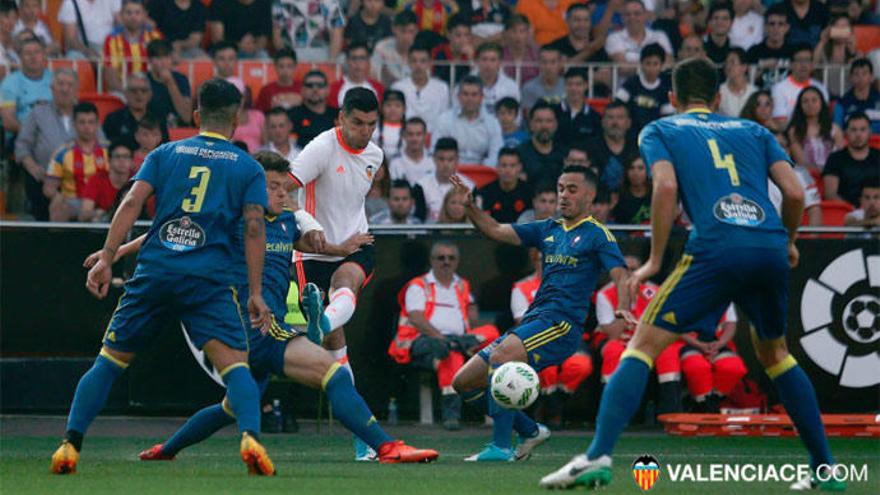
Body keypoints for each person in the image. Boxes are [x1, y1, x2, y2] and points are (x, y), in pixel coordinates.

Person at [540, 57, 844, 492]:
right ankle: (824, 470)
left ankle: (597, 455)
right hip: (768, 247)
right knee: (777, 355)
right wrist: (789, 242)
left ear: (672, 98)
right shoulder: (754, 131)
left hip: (716, 246)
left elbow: (664, 187)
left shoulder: (662, 129)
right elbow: (795, 191)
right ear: (719, 98)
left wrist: (653, 261)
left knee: (642, 344)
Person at [91, 151, 438, 464]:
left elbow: (310, 244)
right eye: (273, 187)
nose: (281, 195)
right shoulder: (235, 219)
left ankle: (166, 450)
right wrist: (116, 253)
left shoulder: (286, 223)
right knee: (332, 371)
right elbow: (164, 233)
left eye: (284, 189)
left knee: (230, 407)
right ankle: (387, 447)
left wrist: (339, 247)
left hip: (258, 329)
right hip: (254, 324)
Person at [49, 79, 277, 476]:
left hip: (156, 272)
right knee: (236, 367)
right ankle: (251, 437)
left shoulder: (166, 152)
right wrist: (256, 292)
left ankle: (70, 444)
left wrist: (107, 258)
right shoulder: (247, 167)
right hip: (208, 281)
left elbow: (132, 202)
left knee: (108, 362)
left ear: (196, 116)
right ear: (237, 119)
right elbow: (255, 228)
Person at [449, 165, 631, 462]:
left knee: (500, 357)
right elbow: (494, 230)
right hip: (535, 319)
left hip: (561, 324)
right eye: (561, 188)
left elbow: (621, 274)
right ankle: (530, 430)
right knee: (464, 382)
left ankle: (501, 447)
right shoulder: (547, 228)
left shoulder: (599, 235)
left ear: (589, 195)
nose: (563, 195)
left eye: (571, 189)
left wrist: (623, 305)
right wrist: (470, 207)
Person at [287, 88, 384, 461]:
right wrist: (310, 227)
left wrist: (344, 242)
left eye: (371, 125)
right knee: (337, 355)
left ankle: (321, 320)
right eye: (357, 123)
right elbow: (283, 193)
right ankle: (363, 437)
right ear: (340, 118)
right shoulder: (320, 149)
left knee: (347, 282)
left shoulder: (376, 154)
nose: (364, 131)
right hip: (312, 252)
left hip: (356, 244)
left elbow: (350, 201)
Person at [390, 241, 499, 429]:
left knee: (492, 333)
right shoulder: (418, 285)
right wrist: (441, 338)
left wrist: (469, 322)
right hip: (422, 342)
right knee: (447, 350)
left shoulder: (462, 285)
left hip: (454, 342)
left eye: (451, 258)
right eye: (441, 258)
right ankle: (451, 415)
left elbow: (473, 319)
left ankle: (455, 344)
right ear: (432, 261)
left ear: (457, 262)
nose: (446, 262)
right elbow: (416, 319)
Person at [593, 254, 685, 416]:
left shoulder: (655, 291)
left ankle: (669, 413)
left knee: (668, 353)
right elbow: (613, 333)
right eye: (624, 269)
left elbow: (663, 326)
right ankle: (610, 411)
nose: (629, 274)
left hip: (647, 340)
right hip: (618, 340)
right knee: (612, 352)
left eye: (634, 270)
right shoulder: (605, 294)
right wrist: (625, 299)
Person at [513, 248, 593, 430]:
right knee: (546, 369)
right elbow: (522, 321)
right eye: (543, 259)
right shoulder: (521, 287)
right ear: (535, 260)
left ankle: (555, 403)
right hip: (536, 339)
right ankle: (549, 410)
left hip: (569, 337)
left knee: (581, 365)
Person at [15, 68, 79, 221]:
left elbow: (101, 144)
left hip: (80, 178)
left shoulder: (85, 114)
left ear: (76, 89)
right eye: (60, 84)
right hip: (44, 179)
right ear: (52, 88)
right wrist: (33, 167)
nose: (64, 89)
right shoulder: (38, 112)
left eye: (69, 85)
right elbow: (22, 146)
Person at [43, 103, 109, 222]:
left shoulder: (109, 151)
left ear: (98, 124)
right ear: (74, 124)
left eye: (91, 122)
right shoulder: (61, 153)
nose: (87, 127)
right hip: (73, 202)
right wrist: (57, 197)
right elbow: (48, 187)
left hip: (103, 202)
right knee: (57, 207)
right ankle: (59, 240)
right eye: (82, 122)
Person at [679, 306, 747, 413]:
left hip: (718, 344)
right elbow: (677, 328)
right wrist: (700, 345)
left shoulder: (726, 298)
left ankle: (711, 401)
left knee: (735, 368)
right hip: (690, 343)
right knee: (697, 368)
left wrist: (719, 344)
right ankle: (702, 404)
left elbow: (731, 325)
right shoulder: (685, 295)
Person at [432, 75, 503, 167]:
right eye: (465, 94)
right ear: (459, 97)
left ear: (481, 97)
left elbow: (496, 155)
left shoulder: (493, 123)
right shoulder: (445, 120)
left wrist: (480, 173)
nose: (470, 99)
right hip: (452, 174)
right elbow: (436, 152)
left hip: (483, 174)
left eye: (474, 95)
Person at [102, 0, 162, 93]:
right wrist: (130, 94)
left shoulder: (155, 37)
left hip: (151, 92)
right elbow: (111, 79)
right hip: (121, 91)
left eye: (137, 13)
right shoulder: (112, 40)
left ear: (145, 15)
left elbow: (162, 70)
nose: (133, 17)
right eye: (128, 13)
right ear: (121, 14)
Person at [614, 43, 673, 133]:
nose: (651, 68)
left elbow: (666, 118)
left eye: (655, 64)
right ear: (641, 64)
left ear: (661, 66)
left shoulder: (665, 90)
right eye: (648, 63)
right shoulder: (631, 83)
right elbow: (618, 105)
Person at [413, 137, 475, 222]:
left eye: (450, 160)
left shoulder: (469, 186)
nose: (446, 164)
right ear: (434, 158)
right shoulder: (421, 186)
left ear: (457, 160)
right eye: (441, 159)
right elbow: (418, 220)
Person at [823, 112, 879, 207]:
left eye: (863, 129)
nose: (858, 134)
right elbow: (830, 194)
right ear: (846, 133)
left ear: (870, 132)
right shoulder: (835, 159)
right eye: (853, 130)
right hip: (846, 214)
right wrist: (852, 210)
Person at [391, 44, 449, 132]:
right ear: (408, 62)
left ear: (430, 63)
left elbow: (444, 118)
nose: (418, 65)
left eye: (423, 61)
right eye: (414, 61)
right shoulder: (397, 88)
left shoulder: (442, 88)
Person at [103, 73, 167, 151]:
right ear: (125, 94)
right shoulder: (113, 119)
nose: (139, 94)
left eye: (143, 91)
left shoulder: (159, 118)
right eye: (133, 91)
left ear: (150, 95)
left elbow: (166, 148)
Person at [785, 86, 843, 172]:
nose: (810, 104)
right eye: (805, 101)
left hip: (833, 176)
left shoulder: (835, 129)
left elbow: (841, 157)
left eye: (814, 100)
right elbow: (801, 162)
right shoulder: (794, 131)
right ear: (800, 106)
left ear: (821, 103)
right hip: (806, 177)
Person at [0, 36, 50, 135]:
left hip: (53, 136)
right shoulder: (9, 83)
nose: (33, 57)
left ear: (44, 55)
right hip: (21, 136)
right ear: (20, 57)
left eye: (37, 52)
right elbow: (8, 121)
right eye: (27, 53)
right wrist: (33, 134)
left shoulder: (55, 80)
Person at [586, 101, 638, 192]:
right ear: (603, 122)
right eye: (610, 117)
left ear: (628, 123)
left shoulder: (637, 149)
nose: (615, 122)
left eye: (620, 117)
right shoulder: (589, 148)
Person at [771, 44, 829, 124]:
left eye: (807, 60)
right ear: (791, 64)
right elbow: (781, 122)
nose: (803, 65)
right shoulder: (779, 88)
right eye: (799, 60)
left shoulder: (820, 88)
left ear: (812, 64)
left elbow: (824, 118)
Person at [605, 0, 673, 67]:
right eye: (627, 14)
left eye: (637, 14)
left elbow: (668, 63)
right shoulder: (614, 38)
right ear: (622, 17)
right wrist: (654, 66)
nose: (632, 17)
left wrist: (637, 65)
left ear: (645, 15)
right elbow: (623, 68)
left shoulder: (660, 36)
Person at [79, 140, 134, 222]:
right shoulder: (96, 180)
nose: (122, 161)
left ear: (131, 161)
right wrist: (97, 213)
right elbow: (83, 215)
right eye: (117, 156)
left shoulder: (137, 181)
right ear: (109, 160)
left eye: (126, 157)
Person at [272, 0, 345, 61]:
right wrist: (286, 59)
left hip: (321, 53)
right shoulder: (282, 2)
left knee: (342, 59)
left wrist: (331, 62)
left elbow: (337, 36)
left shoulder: (330, 2)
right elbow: (277, 36)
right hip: (293, 53)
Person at [475, 147, 532, 222]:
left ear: (519, 167)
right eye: (504, 165)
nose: (508, 170)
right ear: (497, 167)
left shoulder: (529, 193)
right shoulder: (485, 193)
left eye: (512, 166)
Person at [518, 101, 566, 189]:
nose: (544, 126)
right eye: (539, 121)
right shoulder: (519, 154)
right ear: (531, 124)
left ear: (556, 125)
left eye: (549, 121)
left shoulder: (564, 153)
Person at [145, 40, 192, 127]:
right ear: (150, 61)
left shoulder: (181, 79)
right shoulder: (143, 80)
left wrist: (170, 82)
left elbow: (186, 116)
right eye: (158, 58)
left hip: (175, 128)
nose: (163, 62)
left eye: (166, 57)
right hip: (151, 128)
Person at [288, 70, 339, 147]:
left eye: (320, 85)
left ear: (328, 90)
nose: (315, 89)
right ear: (302, 90)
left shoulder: (338, 116)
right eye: (309, 85)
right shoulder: (292, 116)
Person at [328, 41, 385, 109]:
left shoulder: (378, 88)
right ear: (347, 60)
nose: (358, 63)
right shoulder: (334, 89)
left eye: (362, 58)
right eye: (354, 58)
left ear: (368, 61)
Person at [832, 58, 880, 134]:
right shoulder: (842, 103)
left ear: (871, 77)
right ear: (850, 77)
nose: (860, 77)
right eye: (856, 74)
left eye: (864, 73)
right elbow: (837, 129)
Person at [555, 68, 602, 145]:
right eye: (569, 84)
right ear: (564, 86)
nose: (573, 88)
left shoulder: (595, 117)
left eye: (578, 84)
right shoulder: (553, 113)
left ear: (586, 86)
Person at [472, 41, 520, 116]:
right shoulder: (464, 85)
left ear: (500, 62)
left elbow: (516, 118)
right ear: (477, 61)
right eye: (484, 59)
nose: (488, 64)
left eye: (493, 60)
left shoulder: (511, 87)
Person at [372, 11, 419, 85]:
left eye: (411, 31)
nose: (406, 37)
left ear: (416, 31)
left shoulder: (421, 52)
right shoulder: (381, 48)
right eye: (402, 31)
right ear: (394, 29)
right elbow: (374, 77)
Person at [432, 13, 475, 87]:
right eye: (458, 35)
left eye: (466, 35)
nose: (463, 40)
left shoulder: (474, 55)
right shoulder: (436, 52)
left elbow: (477, 83)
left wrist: (471, 60)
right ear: (448, 34)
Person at [389, 117, 434, 186]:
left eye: (418, 134)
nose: (414, 138)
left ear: (425, 136)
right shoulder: (395, 163)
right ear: (404, 135)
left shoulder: (434, 161)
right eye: (410, 134)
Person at [520, 45, 565, 113]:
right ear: (539, 63)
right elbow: (529, 116)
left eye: (553, 62)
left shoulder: (569, 86)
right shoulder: (529, 88)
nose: (548, 67)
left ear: (560, 63)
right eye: (544, 62)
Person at [255, 48, 301, 113]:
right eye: (281, 66)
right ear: (275, 67)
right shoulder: (266, 90)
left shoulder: (303, 88)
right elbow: (259, 115)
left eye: (289, 66)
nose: (285, 70)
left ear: (295, 67)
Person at [718, 48, 757, 118]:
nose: (728, 66)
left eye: (732, 63)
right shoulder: (719, 91)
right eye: (726, 63)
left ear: (744, 67)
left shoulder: (754, 92)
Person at [611, 155, 650, 225]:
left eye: (640, 168)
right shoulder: (618, 196)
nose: (635, 173)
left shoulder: (656, 195)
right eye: (631, 168)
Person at [501, 14, 539, 83]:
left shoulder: (536, 55)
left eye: (522, 31)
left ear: (528, 33)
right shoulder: (499, 55)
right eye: (514, 31)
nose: (518, 36)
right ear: (506, 33)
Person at [371, 89, 405, 160]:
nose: (393, 109)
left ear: (404, 109)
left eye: (397, 106)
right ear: (381, 107)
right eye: (388, 105)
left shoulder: (409, 130)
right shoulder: (373, 127)